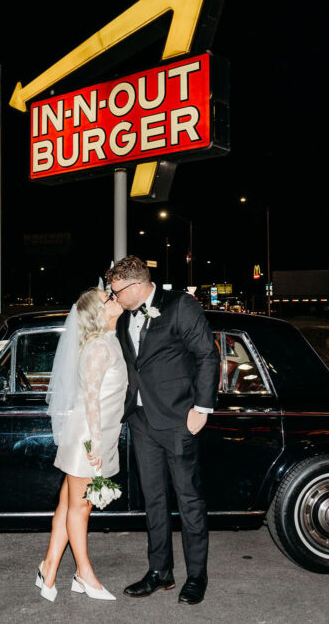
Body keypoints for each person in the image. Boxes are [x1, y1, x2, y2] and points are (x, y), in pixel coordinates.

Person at [106, 255, 218, 605]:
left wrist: (202, 408)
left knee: (188, 499)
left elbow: (207, 355)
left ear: (136, 286)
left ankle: (196, 576)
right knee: (153, 498)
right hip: (140, 420)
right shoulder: (124, 314)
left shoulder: (180, 305)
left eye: (117, 292)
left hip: (179, 418)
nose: (114, 297)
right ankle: (160, 571)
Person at [36, 287, 127, 602]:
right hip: (88, 437)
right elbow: (91, 400)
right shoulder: (98, 347)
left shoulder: (109, 340)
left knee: (67, 504)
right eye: (108, 298)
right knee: (81, 507)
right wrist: (96, 446)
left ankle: (48, 569)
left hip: (94, 433)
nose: (115, 298)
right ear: (98, 314)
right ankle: (84, 574)